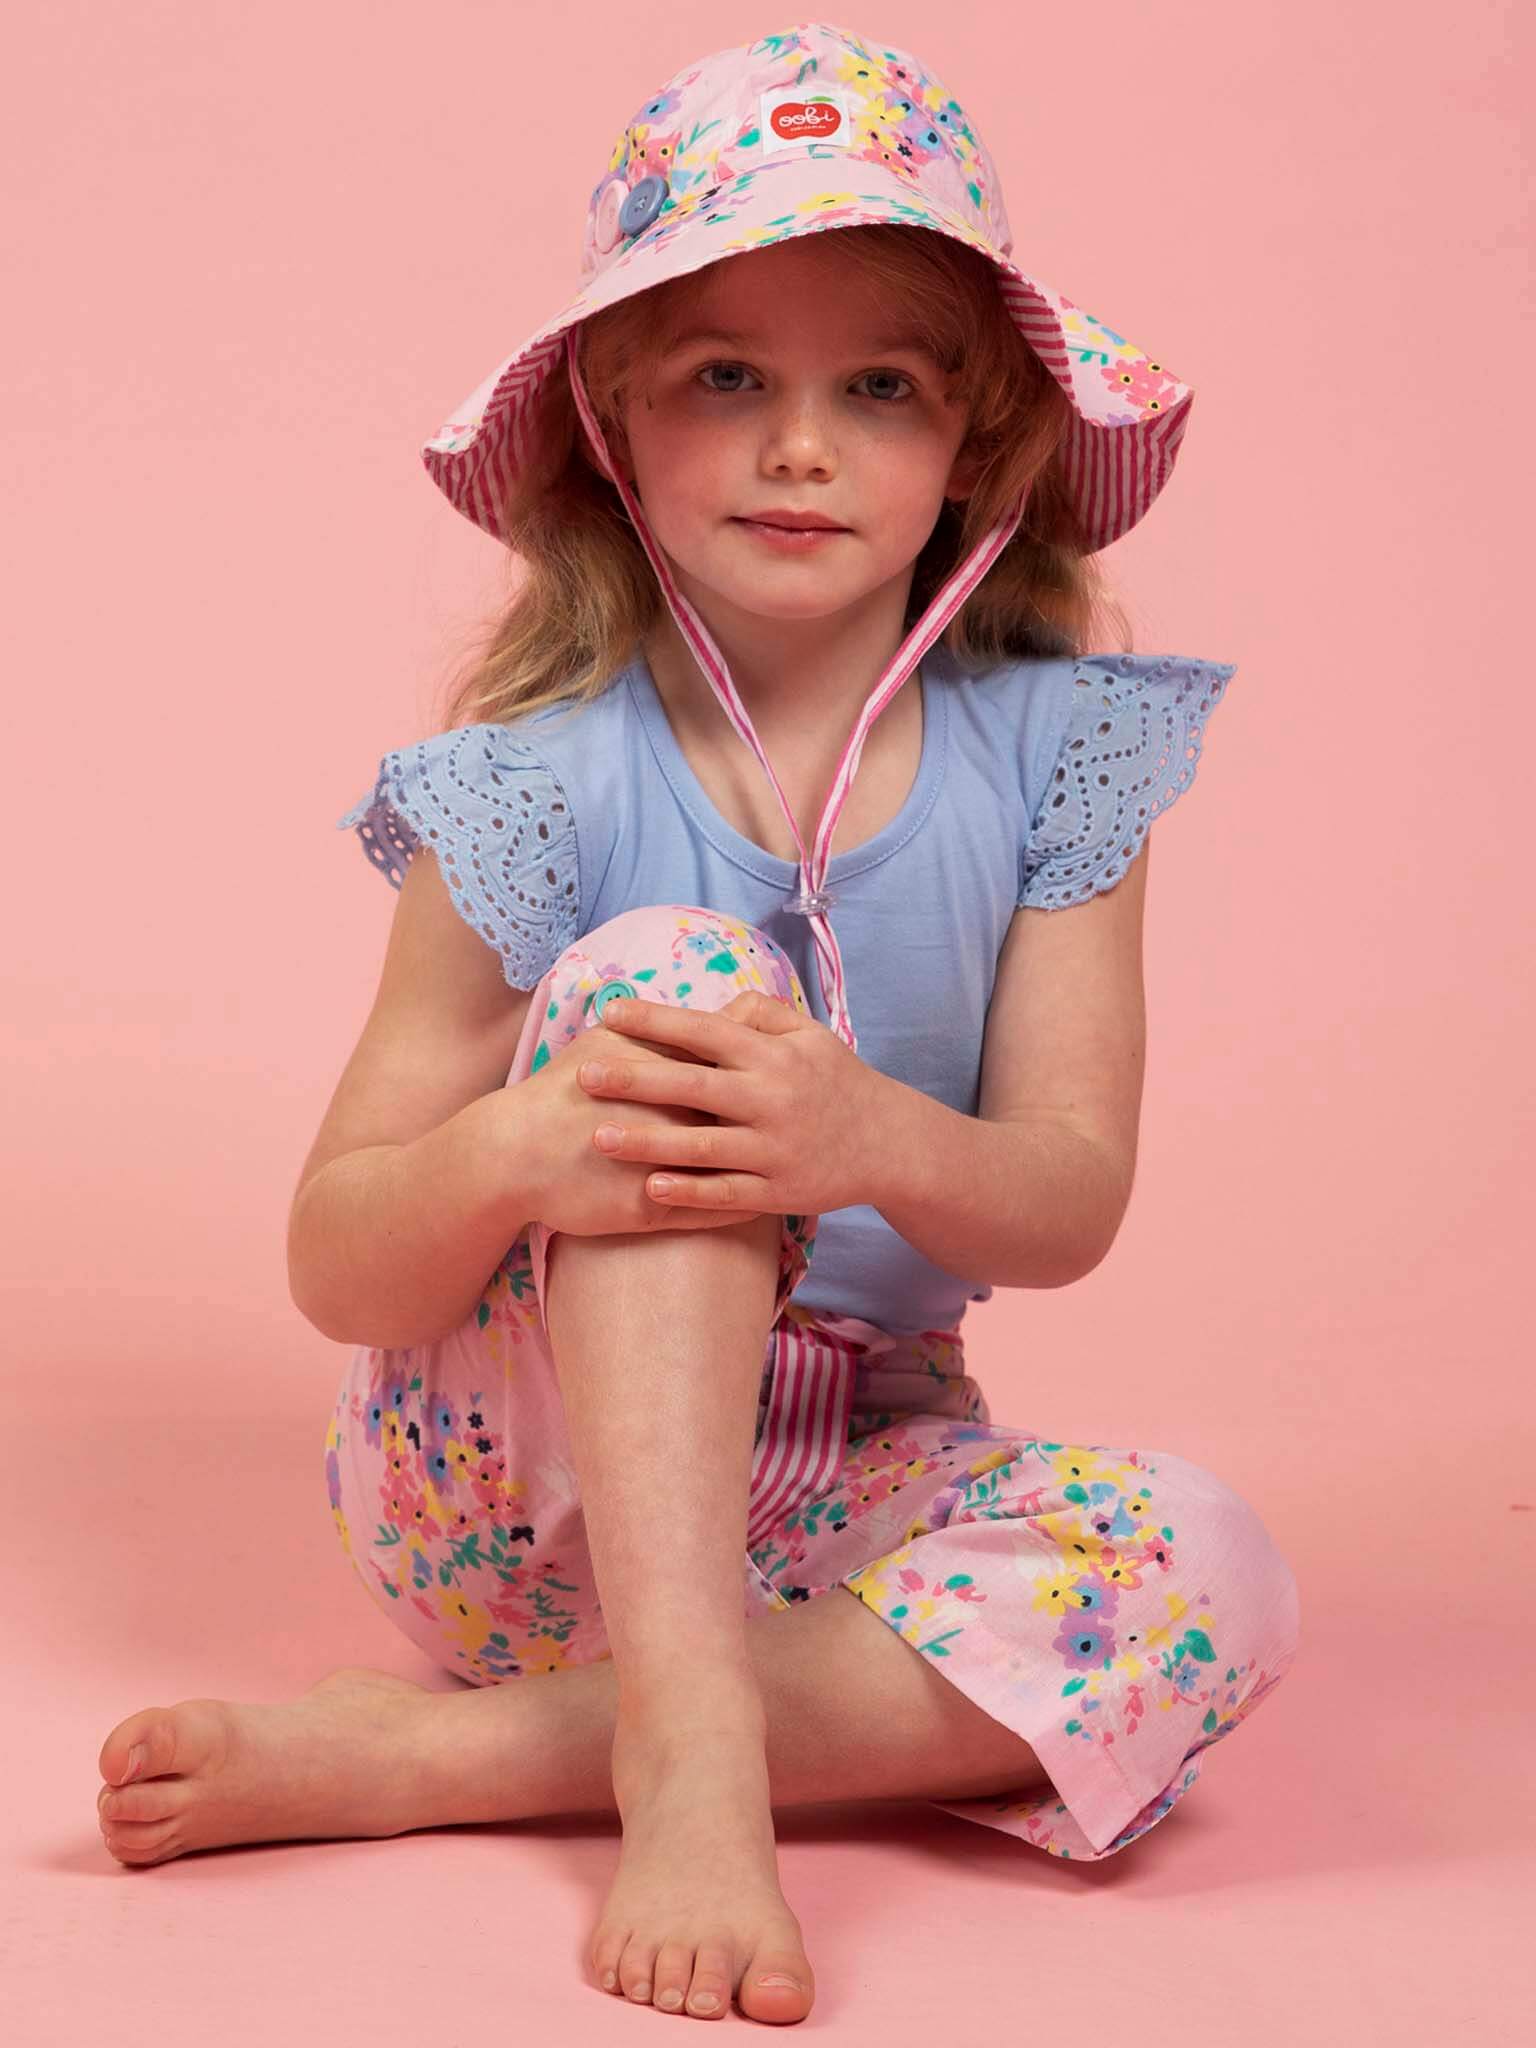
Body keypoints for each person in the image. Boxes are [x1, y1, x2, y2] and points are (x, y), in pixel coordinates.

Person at [94, 21, 1301, 2027]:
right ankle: (691, 1758)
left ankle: (469, 1758)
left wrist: (864, 1138)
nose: (802, 446)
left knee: (1220, 1568)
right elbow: (337, 1251)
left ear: (982, 448)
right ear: (617, 427)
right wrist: (516, 1150)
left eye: (881, 389)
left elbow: (1064, 1198)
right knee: (673, 984)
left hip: (838, 1506)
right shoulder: (539, 778)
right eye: (728, 378)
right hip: (521, 1505)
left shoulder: (1061, 756)